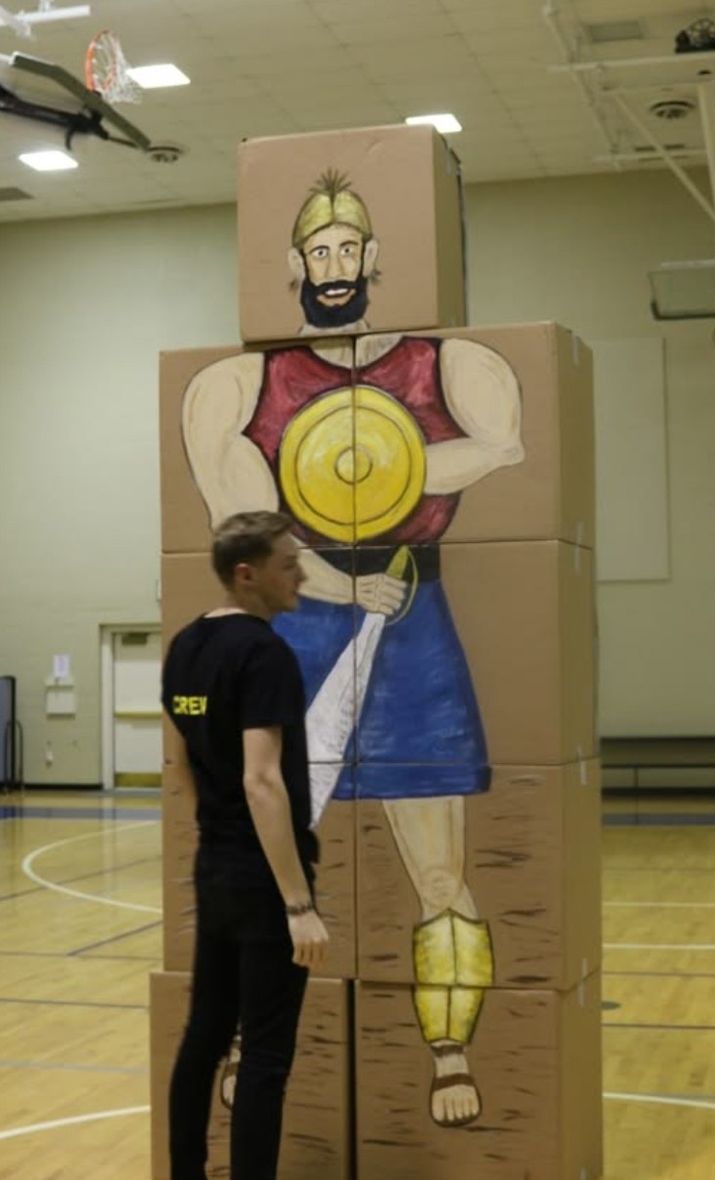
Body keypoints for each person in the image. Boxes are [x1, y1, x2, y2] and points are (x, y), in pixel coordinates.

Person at [181, 171, 525, 1128]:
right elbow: (238, 518)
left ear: (373, 259)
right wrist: (337, 583)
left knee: (439, 864)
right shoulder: (237, 383)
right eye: (317, 254)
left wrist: (398, 485)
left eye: (348, 251)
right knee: (270, 851)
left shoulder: (450, 365)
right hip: (304, 622)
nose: (334, 269)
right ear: (295, 266)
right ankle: (253, 1036)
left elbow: (503, 445)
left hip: (413, 620)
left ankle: (450, 1048)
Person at [162, 510, 329, 1180]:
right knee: (264, 1054)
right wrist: (297, 904)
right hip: (263, 884)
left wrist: (217, 836)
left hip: (216, 867)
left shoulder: (184, 647)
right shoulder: (264, 655)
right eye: (289, 565)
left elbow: (179, 767)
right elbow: (262, 780)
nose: (301, 575)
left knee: (205, 1036)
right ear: (246, 573)